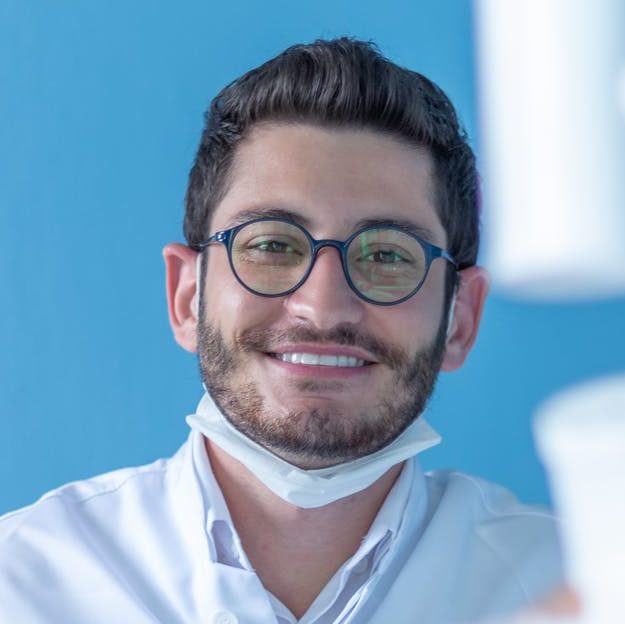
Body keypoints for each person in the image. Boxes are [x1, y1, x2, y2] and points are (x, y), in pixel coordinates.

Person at [0, 38, 563, 623]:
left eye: (387, 255)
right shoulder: (19, 583)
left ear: (460, 319)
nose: (323, 308)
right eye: (271, 244)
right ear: (187, 297)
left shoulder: (577, 588)